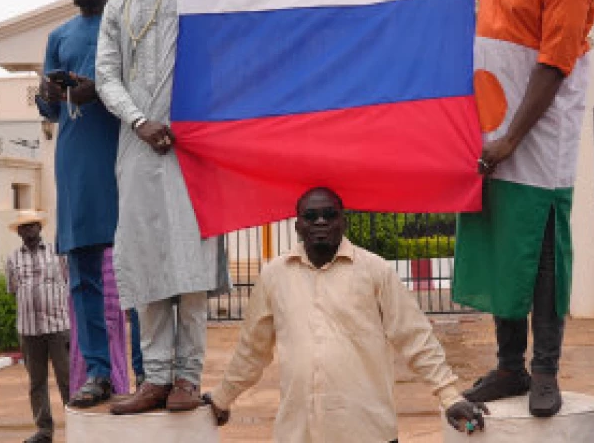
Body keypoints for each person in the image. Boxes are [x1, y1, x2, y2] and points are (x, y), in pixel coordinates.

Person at [452, 0, 594, 417]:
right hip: (495, 134)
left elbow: (554, 65)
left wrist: (512, 137)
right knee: (501, 255)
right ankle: (510, 367)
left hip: (536, 143)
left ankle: (544, 372)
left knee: (539, 260)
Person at [205, 188, 486, 442]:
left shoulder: (375, 271)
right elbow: (252, 350)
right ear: (297, 225)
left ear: (343, 221)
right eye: (311, 216)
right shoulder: (274, 276)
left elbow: (414, 337)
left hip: (366, 431)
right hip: (298, 433)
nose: (320, 222)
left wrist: (449, 396)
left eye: (330, 214)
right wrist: (221, 399)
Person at [96, 0, 229, 414]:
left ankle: (187, 379)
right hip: (137, 148)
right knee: (149, 261)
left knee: (191, 267)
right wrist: (138, 122)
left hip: (194, 148)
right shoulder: (116, 9)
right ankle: (153, 378)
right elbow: (106, 77)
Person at [36, 0, 131, 406]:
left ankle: (151, 369)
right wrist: (53, 95)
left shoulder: (126, 20)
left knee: (136, 270)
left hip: (124, 155)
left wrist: (102, 91)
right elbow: (48, 109)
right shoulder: (60, 36)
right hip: (75, 163)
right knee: (83, 273)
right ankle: (97, 371)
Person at [6, 210, 70, 443]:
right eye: (23, 226)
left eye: (32, 225)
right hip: (29, 330)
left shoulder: (57, 253)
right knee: (36, 383)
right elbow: (14, 290)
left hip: (58, 327)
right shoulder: (12, 258)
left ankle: (75, 426)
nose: (28, 229)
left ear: (39, 228)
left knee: (67, 379)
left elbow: (68, 283)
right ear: (19, 232)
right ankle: (44, 431)